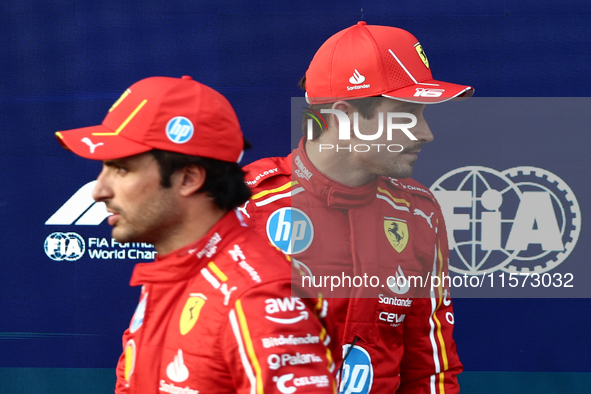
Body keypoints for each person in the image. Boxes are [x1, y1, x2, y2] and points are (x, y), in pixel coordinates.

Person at [54, 75, 338, 394]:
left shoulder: (257, 297)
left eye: (121, 168)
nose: (99, 190)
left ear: (188, 178)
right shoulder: (173, 273)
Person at [241, 22, 473, 393]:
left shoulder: (420, 213)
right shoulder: (241, 207)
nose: (426, 133)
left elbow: (430, 372)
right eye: (408, 115)